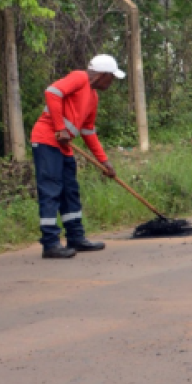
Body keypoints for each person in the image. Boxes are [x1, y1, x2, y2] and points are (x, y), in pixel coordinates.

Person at [29, 55, 124, 259]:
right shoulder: (79, 77)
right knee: (51, 190)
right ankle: (50, 243)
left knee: (70, 191)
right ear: (102, 75)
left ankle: (76, 238)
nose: (111, 82)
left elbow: (88, 131)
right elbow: (52, 92)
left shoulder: (93, 97)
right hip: (47, 141)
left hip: (64, 146)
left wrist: (104, 162)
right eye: (111, 78)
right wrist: (60, 128)